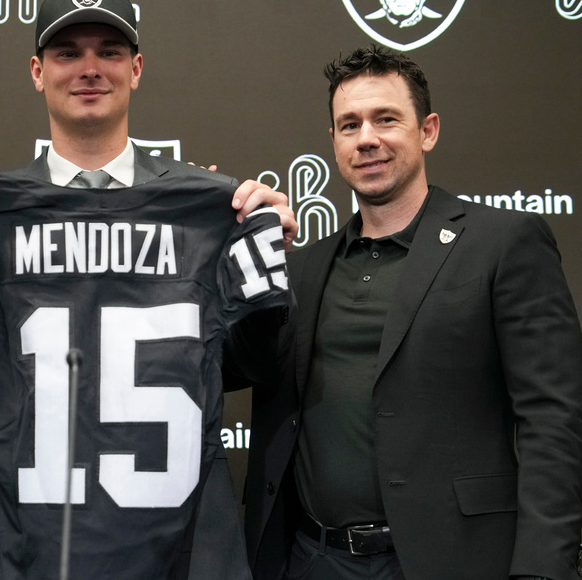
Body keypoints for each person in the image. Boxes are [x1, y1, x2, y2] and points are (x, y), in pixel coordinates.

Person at [0, 0, 295, 579]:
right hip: (29, 555)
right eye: (67, 53)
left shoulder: (214, 214)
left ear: (136, 68)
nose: (89, 69)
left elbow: (258, 367)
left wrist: (260, 253)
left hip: (182, 553)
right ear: (37, 72)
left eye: (110, 52)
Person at [240, 45, 582, 580]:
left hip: (454, 561)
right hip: (312, 560)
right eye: (349, 125)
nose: (367, 138)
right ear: (333, 142)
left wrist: (543, 567)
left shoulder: (504, 243)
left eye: (386, 119)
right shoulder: (300, 269)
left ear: (428, 130)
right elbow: (238, 367)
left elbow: (554, 419)